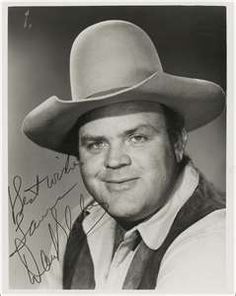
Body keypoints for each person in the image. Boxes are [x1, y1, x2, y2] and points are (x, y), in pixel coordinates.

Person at [22, 20, 226, 292]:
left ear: (177, 142)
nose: (115, 160)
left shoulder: (214, 241)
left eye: (136, 137)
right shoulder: (77, 226)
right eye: (96, 144)